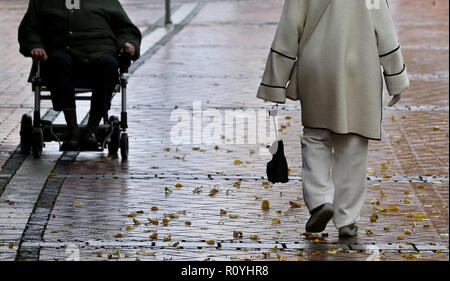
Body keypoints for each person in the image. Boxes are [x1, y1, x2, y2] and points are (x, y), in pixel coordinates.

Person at [257, 0, 409, 237]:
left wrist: (274, 83)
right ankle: (346, 219)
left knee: (315, 136)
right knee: (353, 143)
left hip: (316, 67)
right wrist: (396, 78)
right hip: (360, 69)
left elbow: (288, 29)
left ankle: (319, 201)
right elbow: (384, 28)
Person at [18, 0, 142, 150]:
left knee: (109, 64)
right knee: (58, 61)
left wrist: (129, 43)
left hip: (99, 54)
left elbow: (126, 28)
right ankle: (73, 129)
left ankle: (91, 130)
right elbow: (29, 28)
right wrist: (35, 45)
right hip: (61, 55)